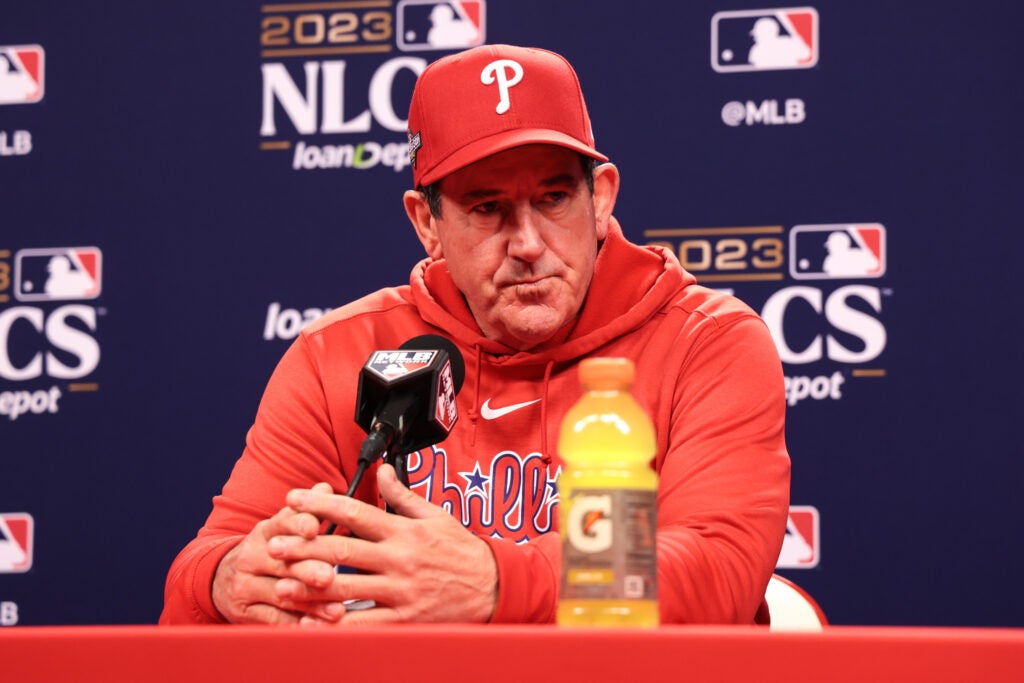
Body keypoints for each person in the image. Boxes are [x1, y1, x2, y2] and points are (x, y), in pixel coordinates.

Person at [159, 44, 790, 626]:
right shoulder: (343, 352)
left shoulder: (706, 341)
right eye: (486, 208)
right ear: (426, 223)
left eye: (553, 198)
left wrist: (495, 583)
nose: (528, 244)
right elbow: (206, 568)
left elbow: (718, 569)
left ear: (600, 199)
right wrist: (226, 580)